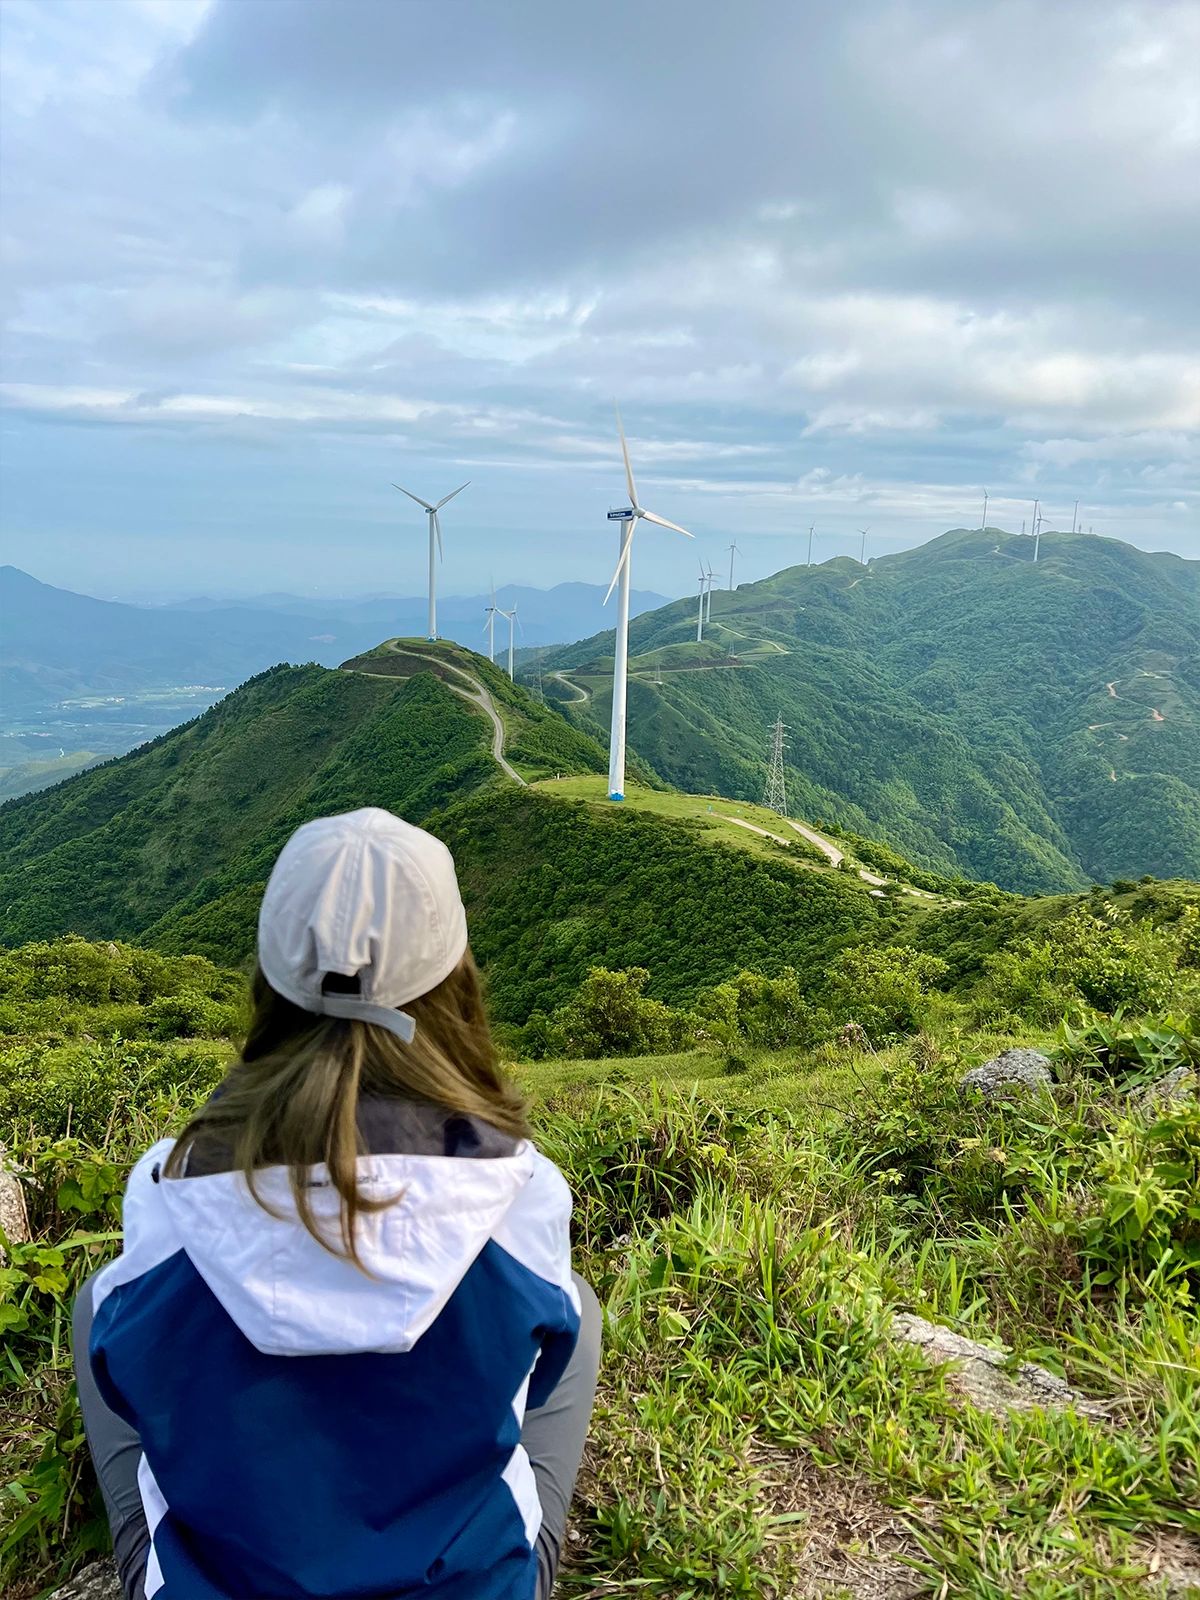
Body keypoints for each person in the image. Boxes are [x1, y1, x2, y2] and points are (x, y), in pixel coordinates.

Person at [72, 807, 602, 1600]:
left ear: (269, 978)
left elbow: (132, 1365)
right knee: (577, 1308)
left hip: (214, 1587)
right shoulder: (517, 1192)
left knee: (97, 1307)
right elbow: (542, 1356)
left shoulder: (171, 1189)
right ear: (454, 978)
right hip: (468, 1587)